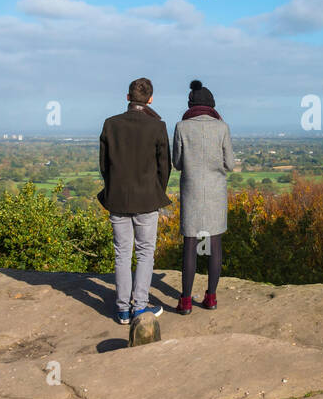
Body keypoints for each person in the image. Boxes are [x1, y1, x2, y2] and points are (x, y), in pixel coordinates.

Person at [97, 78, 171, 325]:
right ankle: (139, 306)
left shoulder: (110, 124)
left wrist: (113, 188)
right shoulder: (157, 126)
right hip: (147, 199)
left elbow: (104, 166)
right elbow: (165, 167)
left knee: (122, 254)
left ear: (128, 97)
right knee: (145, 253)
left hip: (118, 198)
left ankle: (122, 310)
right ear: (150, 99)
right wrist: (157, 191)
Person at [171, 79, 234, 314]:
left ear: (191, 104)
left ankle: (185, 301)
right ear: (212, 105)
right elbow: (230, 163)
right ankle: (211, 298)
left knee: (191, 244)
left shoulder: (181, 127)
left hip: (192, 191)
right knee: (213, 244)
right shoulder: (222, 127)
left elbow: (177, 162)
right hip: (216, 193)